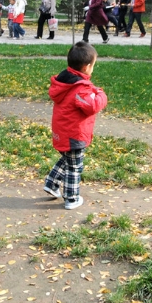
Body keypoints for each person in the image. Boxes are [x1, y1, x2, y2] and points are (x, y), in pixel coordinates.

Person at [44, 41, 107, 210]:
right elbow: (92, 106)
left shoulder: (64, 81)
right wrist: (100, 94)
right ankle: (71, 198)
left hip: (62, 131)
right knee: (75, 167)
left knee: (67, 159)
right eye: (93, 65)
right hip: (74, 134)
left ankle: (51, 184)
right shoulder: (81, 88)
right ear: (86, 67)